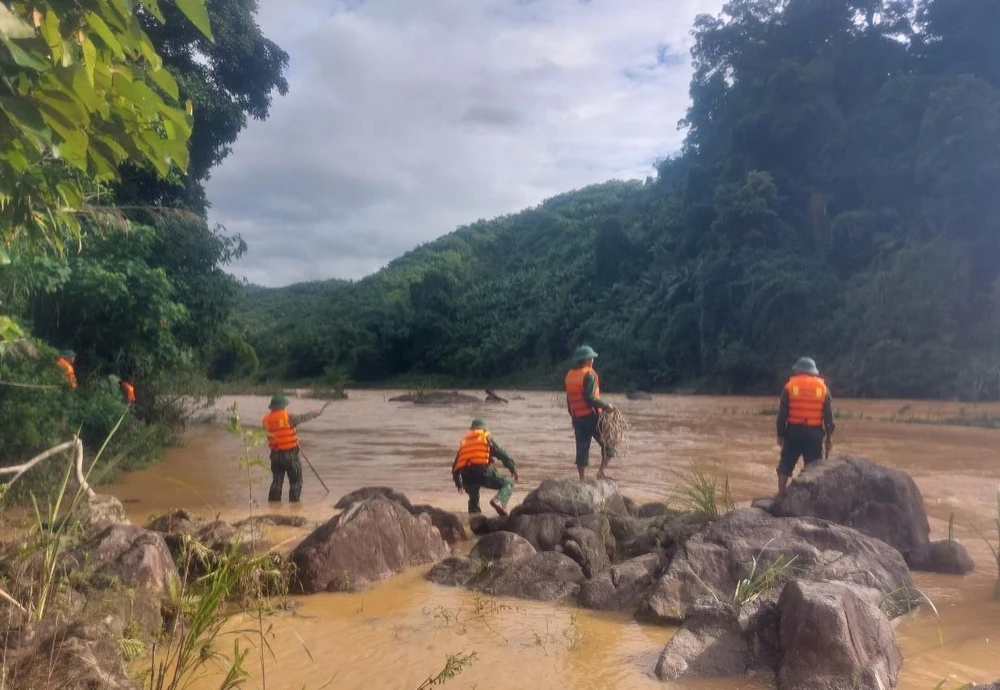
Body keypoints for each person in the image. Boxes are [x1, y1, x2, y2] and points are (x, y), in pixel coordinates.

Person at [776, 357, 835, 494]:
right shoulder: (823, 388)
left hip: (793, 432)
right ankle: (811, 495)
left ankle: (781, 494)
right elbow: (829, 418)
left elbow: (782, 415)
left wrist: (780, 434)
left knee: (785, 464)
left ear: (798, 371)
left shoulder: (789, 387)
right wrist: (829, 438)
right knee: (813, 466)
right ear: (813, 372)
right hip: (814, 434)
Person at [261, 393, 326, 502]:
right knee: (296, 481)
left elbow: (276, 432)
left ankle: (273, 505)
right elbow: (303, 417)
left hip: (275, 455)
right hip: (289, 455)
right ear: (283, 406)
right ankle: (294, 505)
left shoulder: (266, 420)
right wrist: (315, 413)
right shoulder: (289, 417)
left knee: (277, 482)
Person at [565, 345, 615, 481]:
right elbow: (590, 398)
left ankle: (582, 479)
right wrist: (606, 406)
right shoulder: (589, 375)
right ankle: (601, 472)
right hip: (591, 416)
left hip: (577, 417)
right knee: (609, 444)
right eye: (591, 358)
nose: (593, 360)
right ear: (586, 360)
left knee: (581, 449)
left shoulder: (570, 375)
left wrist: (573, 416)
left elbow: (569, 400)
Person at [452, 418, 519, 516]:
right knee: (508, 483)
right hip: (482, 472)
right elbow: (503, 454)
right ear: (484, 430)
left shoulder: (465, 443)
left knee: (473, 499)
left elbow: (455, 467)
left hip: (467, 477)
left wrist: (459, 484)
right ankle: (499, 501)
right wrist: (512, 468)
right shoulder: (486, 438)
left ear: (472, 430)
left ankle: (474, 519)